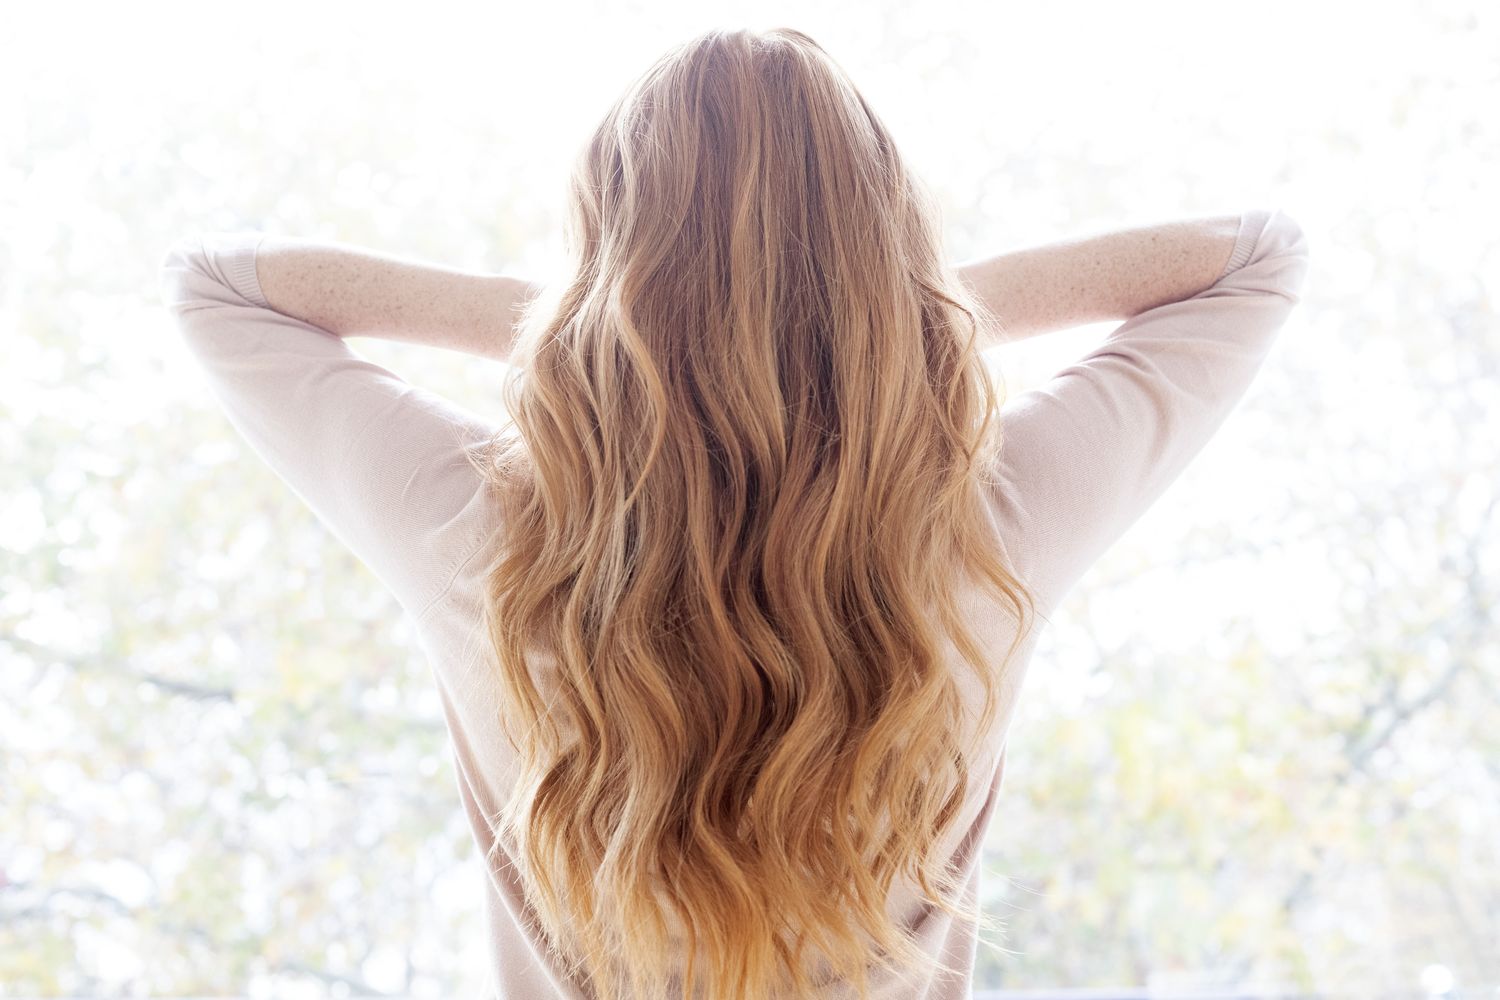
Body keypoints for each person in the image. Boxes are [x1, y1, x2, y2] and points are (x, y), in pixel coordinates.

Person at [159, 25, 1309, 1000]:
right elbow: (1259, 260)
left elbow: (216, 288)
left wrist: (592, 331)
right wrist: (880, 326)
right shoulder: (988, 531)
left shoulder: (488, 536)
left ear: (611, 255)